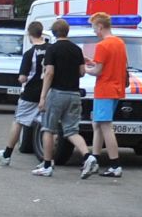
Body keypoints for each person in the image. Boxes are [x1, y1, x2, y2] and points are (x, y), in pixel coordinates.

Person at [33, 17, 92, 177]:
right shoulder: (76, 49)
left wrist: (43, 96)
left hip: (57, 93)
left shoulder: (52, 49)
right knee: (72, 130)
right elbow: (82, 72)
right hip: (74, 94)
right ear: (67, 31)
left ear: (53, 32)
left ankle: (47, 165)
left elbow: (49, 72)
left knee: (48, 129)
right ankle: (88, 156)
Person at [81, 11, 128, 179]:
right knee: (98, 124)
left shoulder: (102, 45)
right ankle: (95, 158)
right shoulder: (119, 43)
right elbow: (110, 66)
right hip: (116, 88)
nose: (94, 31)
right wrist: (92, 63)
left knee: (105, 126)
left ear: (100, 27)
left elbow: (98, 71)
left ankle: (115, 164)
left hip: (104, 89)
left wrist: (84, 68)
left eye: (94, 28)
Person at [0, 20, 46, 165]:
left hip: (30, 93)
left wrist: (21, 78)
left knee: (19, 121)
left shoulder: (30, 53)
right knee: (47, 126)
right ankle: (47, 160)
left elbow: (23, 78)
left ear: (30, 34)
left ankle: (7, 154)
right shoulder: (51, 49)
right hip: (47, 92)